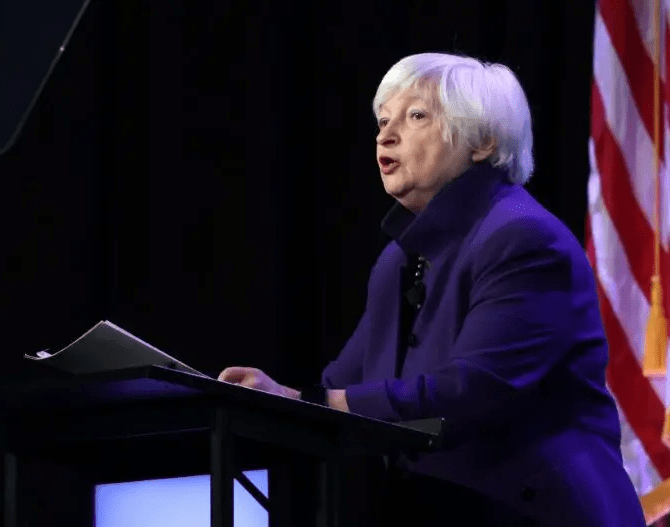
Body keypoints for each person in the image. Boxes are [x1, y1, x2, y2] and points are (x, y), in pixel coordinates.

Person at [219, 52, 646, 526]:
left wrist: (315, 401)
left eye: (416, 116)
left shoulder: (524, 239)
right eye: (383, 120)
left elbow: (472, 390)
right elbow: (343, 384)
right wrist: (273, 397)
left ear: (482, 141)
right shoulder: (397, 260)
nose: (385, 135)